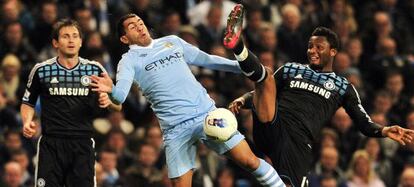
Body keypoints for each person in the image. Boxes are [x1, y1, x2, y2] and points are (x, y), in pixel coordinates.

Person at [224, 4, 414, 187]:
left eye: (318, 47)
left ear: (333, 52)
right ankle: (238, 46)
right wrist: (243, 100)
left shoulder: (343, 86)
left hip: (297, 142)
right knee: (266, 76)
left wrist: (384, 130)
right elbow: (265, 92)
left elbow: (363, 123)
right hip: (272, 124)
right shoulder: (291, 68)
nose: (312, 51)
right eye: (310, 46)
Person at [90, 13, 285, 187]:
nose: (139, 26)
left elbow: (207, 60)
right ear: (125, 38)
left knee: (250, 161)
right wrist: (110, 89)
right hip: (175, 130)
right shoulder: (128, 60)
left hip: (207, 115)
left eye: (140, 22)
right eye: (132, 26)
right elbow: (120, 96)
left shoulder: (172, 41)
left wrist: (245, 67)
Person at [20, 19, 121, 187]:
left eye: (75, 36)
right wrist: (27, 121)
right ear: (55, 43)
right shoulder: (41, 70)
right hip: (51, 144)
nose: (71, 40)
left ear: (81, 42)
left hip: (82, 144)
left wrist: (108, 100)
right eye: (65, 36)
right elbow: (27, 102)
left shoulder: (95, 69)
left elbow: (118, 104)